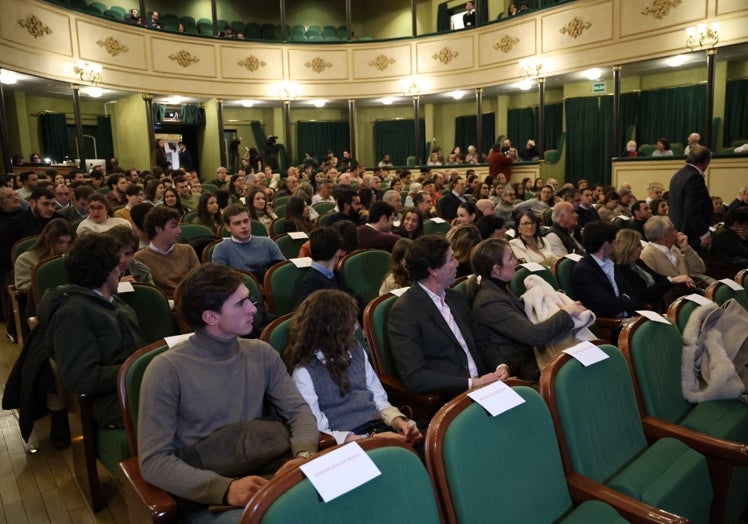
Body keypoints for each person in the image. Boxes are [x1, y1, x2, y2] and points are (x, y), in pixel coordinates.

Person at [138, 263, 318, 520]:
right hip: (210, 494)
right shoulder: (166, 370)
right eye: (240, 303)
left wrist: (304, 455)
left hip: (266, 470)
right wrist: (225, 489)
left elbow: (298, 410)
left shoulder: (261, 352)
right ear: (211, 317)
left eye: (250, 299)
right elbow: (154, 461)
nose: (253, 309)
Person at [286, 290, 421, 447]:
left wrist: (399, 421)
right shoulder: (304, 372)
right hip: (347, 442)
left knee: (425, 445)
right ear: (331, 328)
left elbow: (378, 399)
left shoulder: (355, 350)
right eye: (349, 322)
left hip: (378, 427)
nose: (356, 327)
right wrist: (370, 439)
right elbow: (318, 430)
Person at [38, 233, 146, 429]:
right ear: (105, 271)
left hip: (136, 386)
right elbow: (82, 378)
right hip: (113, 401)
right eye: (116, 265)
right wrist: (138, 368)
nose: (121, 271)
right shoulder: (73, 313)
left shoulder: (111, 301)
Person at [388, 235, 509, 398]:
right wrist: (472, 383)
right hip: (452, 398)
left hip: (487, 386)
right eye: (451, 259)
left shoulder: (455, 297)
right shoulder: (405, 311)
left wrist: (500, 366)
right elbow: (415, 377)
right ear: (433, 270)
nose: (457, 263)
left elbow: (483, 341)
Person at [470, 238, 587, 381]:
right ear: (496, 269)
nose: (516, 261)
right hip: (522, 367)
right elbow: (535, 336)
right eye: (511, 258)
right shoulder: (489, 301)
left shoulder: (497, 288)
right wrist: (567, 312)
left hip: (531, 356)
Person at [571, 221, 643, 318]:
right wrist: (626, 299)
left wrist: (624, 301)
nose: (615, 245)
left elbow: (634, 295)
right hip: (608, 326)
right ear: (606, 244)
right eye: (614, 242)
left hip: (628, 317)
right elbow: (608, 306)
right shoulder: (584, 271)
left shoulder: (611, 263)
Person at [612, 229, 694, 313]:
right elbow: (645, 294)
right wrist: (672, 280)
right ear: (629, 249)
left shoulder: (637, 262)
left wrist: (677, 279)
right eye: (638, 245)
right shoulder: (621, 271)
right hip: (651, 308)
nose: (642, 247)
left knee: (685, 288)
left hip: (661, 300)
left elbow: (658, 277)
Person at [134, 206, 200, 298]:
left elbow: (199, 283)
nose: (179, 231)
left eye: (178, 226)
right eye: (174, 226)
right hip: (163, 306)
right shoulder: (140, 258)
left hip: (191, 301)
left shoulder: (187, 250)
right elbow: (150, 294)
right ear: (158, 229)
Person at [211, 204, 285, 281]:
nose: (243, 226)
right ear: (227, 227)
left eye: (246, 221)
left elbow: (281, 270)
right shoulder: (221, 249)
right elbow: (220, 280)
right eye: (237, 223)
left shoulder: (267, 242)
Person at [640, 216, 713, 288]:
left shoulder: (673, 247)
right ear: (665, 236)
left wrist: (686, 248)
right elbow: (656, 287)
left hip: (691, 288)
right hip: (675, 296)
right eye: (673, 229)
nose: (677, 232)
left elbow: (700, 269)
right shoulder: (646, 256)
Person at [294, 227, 358, 309]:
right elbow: (305, 316)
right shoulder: (312, 283)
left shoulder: (334, 274)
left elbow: (353, 298)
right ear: (338, 251)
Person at [14, 218, 75, 292]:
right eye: (60, 241)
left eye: (68, 242)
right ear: (48, 238)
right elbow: (23, 288)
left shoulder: (70, 256)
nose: (64, 246)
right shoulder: (25, 260)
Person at [671, 153, 717, 249]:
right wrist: (703, 233)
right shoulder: (694, 177)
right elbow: (692, 209)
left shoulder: (678, 174)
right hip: (691, 234)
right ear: (706, 161)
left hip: (679, 230)